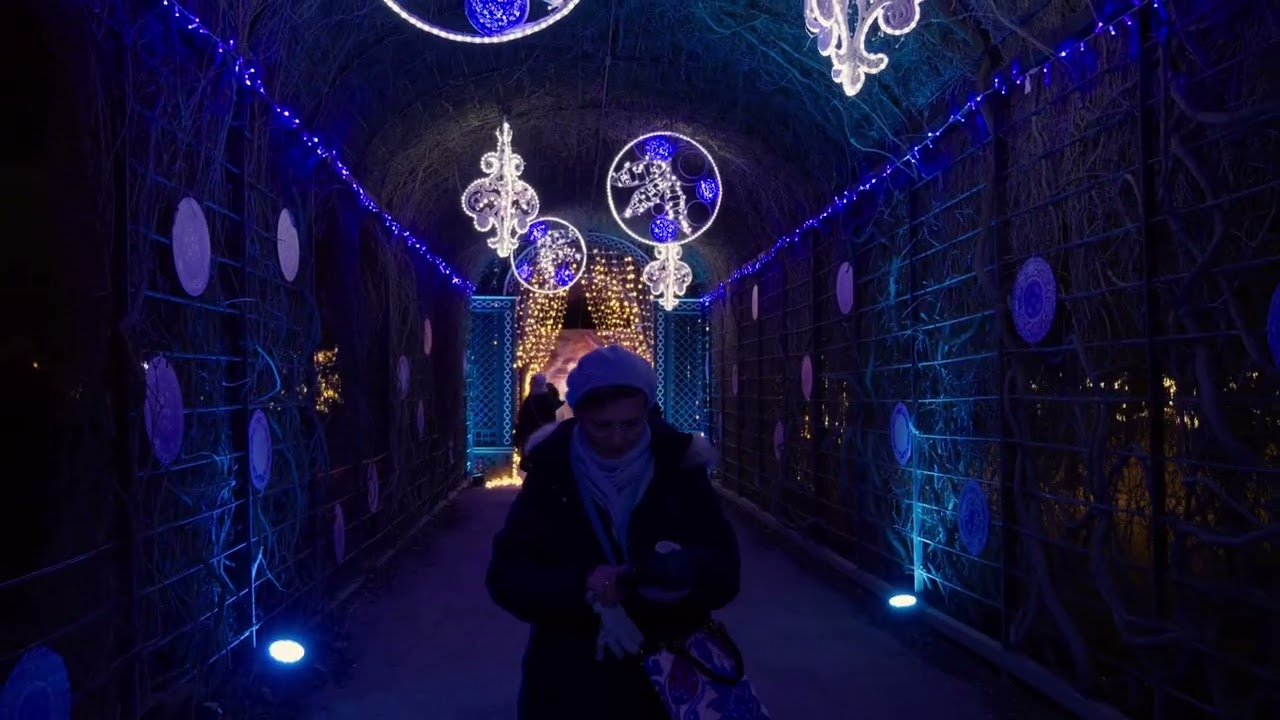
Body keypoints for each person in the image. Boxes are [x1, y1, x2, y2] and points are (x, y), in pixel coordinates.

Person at [485, 345, 740, 719]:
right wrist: (583, 586)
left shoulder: (680, 468)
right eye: (602, 426)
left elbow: (726, 572)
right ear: (579, 413)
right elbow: (507, 577)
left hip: (669, 676)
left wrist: (676, 571)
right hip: (570, 681)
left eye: (631, 424)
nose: (618, 438)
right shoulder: (551, 474)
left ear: (647, 412)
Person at [512, 373, 563, 453]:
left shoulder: (529, 401)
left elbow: (523, 421)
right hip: (548, 438)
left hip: (532, 440)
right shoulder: (549, 399)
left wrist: (518, 440)